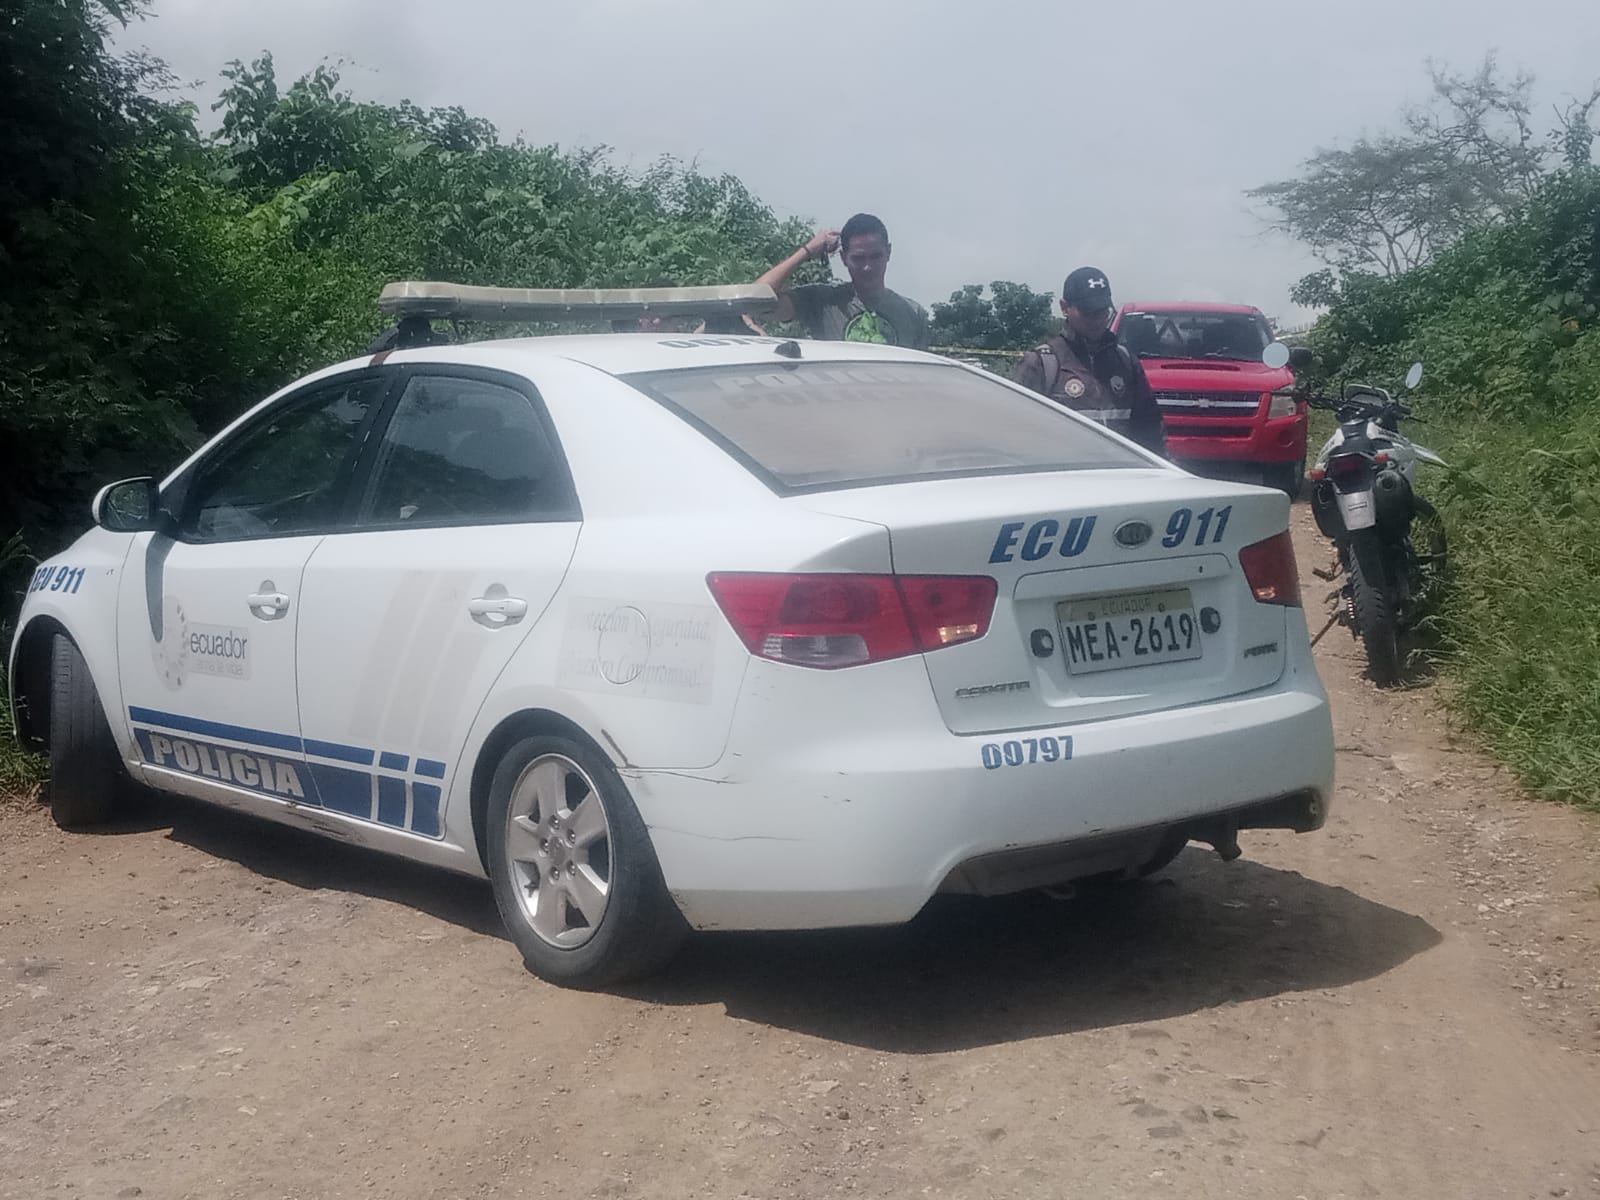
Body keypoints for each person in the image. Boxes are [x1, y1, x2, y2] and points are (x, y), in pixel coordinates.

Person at [1013, 267, 1165, 456]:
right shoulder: (1041, 364)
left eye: (1103, 311)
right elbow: (1017, 433)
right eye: (1088, 312)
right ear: (1064, 307)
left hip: (1120, 477)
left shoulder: (1125, 361)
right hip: (1064, 477)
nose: (1097, 319)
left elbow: (1149, 430)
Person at [754, 213, 929, 349]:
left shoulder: (913, 314)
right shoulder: (823, 302)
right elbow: (755, 300)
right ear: (844, 258)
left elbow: (923, 379)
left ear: (888, 253)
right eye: (859, 258)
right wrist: (807, 251)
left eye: (875, 256)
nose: (868, 267)